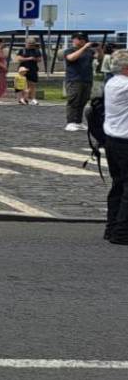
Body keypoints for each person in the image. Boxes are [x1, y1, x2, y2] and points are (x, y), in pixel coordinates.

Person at [102, 49, 128, 245]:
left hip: (111, 139)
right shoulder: (125, 85)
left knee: (117, 185)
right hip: (125, 141)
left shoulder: (112, 83)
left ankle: (111, 227)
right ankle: (122, 231)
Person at [63, 32, 97, 131]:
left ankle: (78, 121)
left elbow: (99, 57)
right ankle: (70, 122)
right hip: (74, 79)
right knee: (73, 100)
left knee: (83, 101)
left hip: (87, 79)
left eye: (84, 39)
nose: (83, 41)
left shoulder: (89, 51)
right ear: (74, 39)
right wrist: (83, 48)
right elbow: (71, 58)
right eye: (80, 39)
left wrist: (99, 49)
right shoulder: (69, 50)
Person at [17, 36, 42, 105]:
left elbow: (40, 59)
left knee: (32, 85)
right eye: (30, 44)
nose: (31, 46)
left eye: (32, 45)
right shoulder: (22, 50)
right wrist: (28, 58)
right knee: (22, 85)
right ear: (26, 43)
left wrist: (35, 59)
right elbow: (19, 58)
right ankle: (22, 98)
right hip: (23, 70)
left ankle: (33, 99)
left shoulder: (37, 50)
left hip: (33, 69)